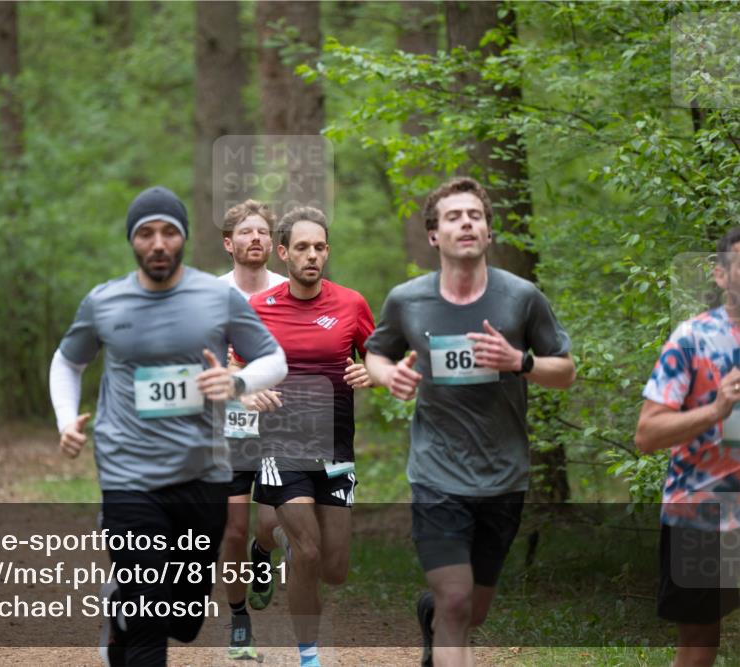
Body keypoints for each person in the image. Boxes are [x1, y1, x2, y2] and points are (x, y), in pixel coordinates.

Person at [48, 186, 287, 667]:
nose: (158, 243)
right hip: (128, 476)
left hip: (202, 473)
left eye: (169, 232)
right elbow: (67, 362)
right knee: (149, 620)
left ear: (183, 238)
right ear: (133, 241)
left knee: (183, 619)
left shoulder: (216, 298)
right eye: (146, 233)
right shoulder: (105, 302)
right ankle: (130, 616)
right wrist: (65, 419)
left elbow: (274, 358)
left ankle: (120, 612)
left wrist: (237, 380)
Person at [364, 177, 575, 667]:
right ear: (434, 235)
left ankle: (432, 616)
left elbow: (564, 372)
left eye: (475, 216)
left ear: (488, 232)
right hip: (437, 474)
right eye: (454, 216)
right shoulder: (407, 301)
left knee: (471, 610)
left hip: (502, 474)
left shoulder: (522, 298)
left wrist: (519, 362)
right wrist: (387, 375)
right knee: (457, 602)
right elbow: (376, 354)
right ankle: (444, 614)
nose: (466, 222)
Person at [245, 206, 376, 667]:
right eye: (302, 247)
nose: (312, 255)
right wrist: (245, 392)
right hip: (279, 446)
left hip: (336, 449)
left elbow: (381, 356)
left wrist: (371, 372)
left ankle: (273, 538)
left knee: (334, 569)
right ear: (283, 253)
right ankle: (309, 656)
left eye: (319, 247)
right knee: (309, 550)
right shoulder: (259, 308)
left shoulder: (351, 304)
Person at [634, 227, 740, 667]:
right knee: (699, 643)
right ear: (721, 275)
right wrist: (716, 410)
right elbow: (647, 434)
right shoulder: (692, 339)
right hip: (703, 514)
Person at [216, 199, 288, 660]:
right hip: (229, 425)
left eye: (263, 231)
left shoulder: (291, 289)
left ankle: (264, 557)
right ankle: (239, 620)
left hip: (283, 425)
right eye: (246, 232)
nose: (256, 238)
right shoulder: (209, 294)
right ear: (229, 243)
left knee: (271, 522)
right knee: (234, 531)